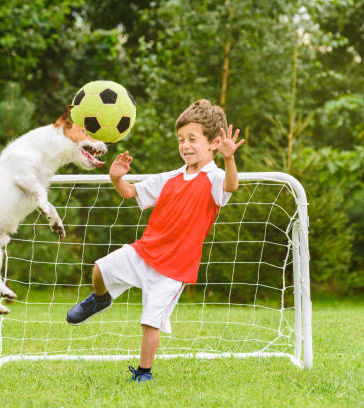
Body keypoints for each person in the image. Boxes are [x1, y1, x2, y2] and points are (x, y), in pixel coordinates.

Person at [66, 99, 245, 383]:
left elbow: (231, 187)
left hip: (174, 269)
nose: (185, 145)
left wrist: (229, 158)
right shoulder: (170, 177)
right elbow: (129, 193)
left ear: (213, 143)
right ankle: (100, 301)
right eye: (181, 139)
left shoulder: (215, 177)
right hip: (145, 252)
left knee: (150, 322)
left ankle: (143, 372)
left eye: (192, 139)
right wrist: (116, 179)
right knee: (99, 268)